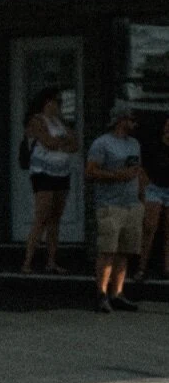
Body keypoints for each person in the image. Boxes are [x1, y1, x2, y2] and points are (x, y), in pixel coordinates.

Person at [87, 103, 145, 313]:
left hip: (131, 203)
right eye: (130, 119)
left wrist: (141, 196)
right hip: (110, 204)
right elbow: (91, 172)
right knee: (107, 250)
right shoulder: (102, 144)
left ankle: (117, 293)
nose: (133, 123)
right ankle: (101, 294)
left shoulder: (134, 144)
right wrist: (116, 176)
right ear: (120, 120)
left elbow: (137, 170)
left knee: (125, 251)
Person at [20, 88, 77, 274]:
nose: (57, 106)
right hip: (43, 172)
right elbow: (48, 142)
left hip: (62, 173)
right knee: (42, 216)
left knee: (55, 218)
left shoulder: (59, 123)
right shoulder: (37, 121)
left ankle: (51, 261)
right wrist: (62, 141)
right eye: (54, 102)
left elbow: (75, 144)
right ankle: (27, 262)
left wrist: (61, 140)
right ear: (46, 103)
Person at [138, 114, 169, 285]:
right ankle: (142, 267)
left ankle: (167, 267)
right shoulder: (154, 146)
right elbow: (143, 165)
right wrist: (144, 185)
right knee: (150, 227)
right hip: (155, 187)